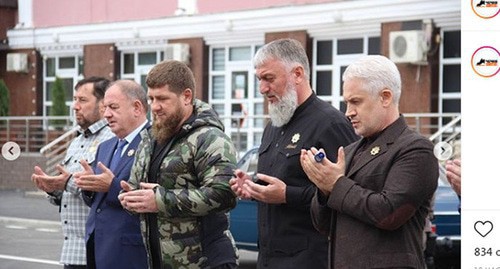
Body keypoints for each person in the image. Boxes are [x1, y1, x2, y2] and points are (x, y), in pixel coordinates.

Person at [229, 38, 358, 269]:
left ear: (297, 74)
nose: (262, 88)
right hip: (269, 258)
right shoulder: (274, 125)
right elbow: (282, 179)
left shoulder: (330, 124)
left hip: (310, 260)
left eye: (269, 78)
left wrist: (288, 195)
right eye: (259, 79)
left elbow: (350, 196)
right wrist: (252, 186)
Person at [300, 55, 439, 269]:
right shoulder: (349, 151)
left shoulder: (416, 149)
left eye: (356, 101)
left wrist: (335, 184)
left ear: (385, 97)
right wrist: (324, 189)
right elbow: (325, 225)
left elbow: (389, 213)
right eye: (347, 102)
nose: (348, 112)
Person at [118, 60, 239, 269]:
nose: (155, 107)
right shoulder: (150, 138)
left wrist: (160, 200)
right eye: (151, 98)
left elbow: (225, 194)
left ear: (186, 96)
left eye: (163, 99)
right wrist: (132, 198)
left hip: (205, 262)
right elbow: (142, 190)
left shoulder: (210, 137)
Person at [31, 77, 113, 269]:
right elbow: (69, 193)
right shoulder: (77, 141)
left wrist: (67, 182)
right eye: (74, 99)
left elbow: (106, 187)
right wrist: (53, 189)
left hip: (98, 251)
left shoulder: (112, 137)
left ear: (103, 105)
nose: (75, 106)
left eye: (82, 100)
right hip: (73, 251)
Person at [73, 80, 150, 269]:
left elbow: (154, 195)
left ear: (137, 108)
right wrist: (88, 186)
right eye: (105, 107)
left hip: (130, 252)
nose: (106, 114)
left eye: (114, 107)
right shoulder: (105, 147)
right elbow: (98, 203)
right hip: (98, 246)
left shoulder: (155, 143)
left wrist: (112, 186)